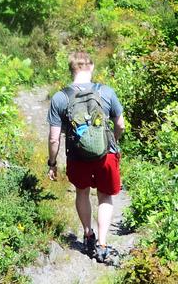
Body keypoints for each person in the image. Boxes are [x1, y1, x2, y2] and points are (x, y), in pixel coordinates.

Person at [47, 51, 125, 263]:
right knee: (105, 196)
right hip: (106, 154)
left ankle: (88, 234)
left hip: (77, 156)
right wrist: (113, 142)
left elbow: (54, 138)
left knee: (82, 192)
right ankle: (102, 244)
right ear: (91, 67)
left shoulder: (60, 97)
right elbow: (120, 125)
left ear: (71, 69)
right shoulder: (107, 92)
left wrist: (52, 163)